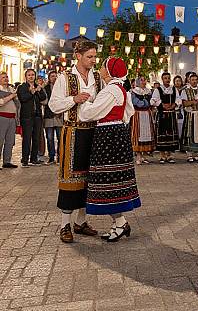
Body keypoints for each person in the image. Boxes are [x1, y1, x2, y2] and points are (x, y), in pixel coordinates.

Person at [79, 57, 140, 241]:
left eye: (104, 67)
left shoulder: (112, 90)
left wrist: (84, 102)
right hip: (116, 134)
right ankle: (119, 223)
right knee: (113, 181)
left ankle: (120, 223)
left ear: (110, 71)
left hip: (108, 137)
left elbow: (89, 113)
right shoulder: (120, 89)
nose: (100, 69)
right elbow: (129, 113)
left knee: (106, 181)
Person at [49, 40, 101, 243]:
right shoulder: (65, 77)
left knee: (89, 177)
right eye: (89, 56)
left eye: (95, 57)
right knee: (70, 178)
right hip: (72, 131)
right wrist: (74, 99)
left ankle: (81, 221)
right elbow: (54, 105)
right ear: (78, 56)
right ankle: (64, 225)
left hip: (93, 131)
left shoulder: (97, 77)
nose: (93, 60)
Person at [17, 69, 46, 167]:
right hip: (27, 116)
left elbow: (43, 98)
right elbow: (23, 98)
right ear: (26, 76)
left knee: (36, 138)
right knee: (27, 138)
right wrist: (32, 92)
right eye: (29, 75)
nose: (31, 76)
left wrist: (39, 90)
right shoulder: (22, 87)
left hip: (37, 116)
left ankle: (34, 159)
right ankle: (25, 160)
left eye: (33, 75)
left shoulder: (38, 86)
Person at [150, 72, 180, 164]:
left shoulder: (174, 89)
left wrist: (174, 104)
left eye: (168, 78)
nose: (167, 80)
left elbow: (178, 100)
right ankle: (162, 155)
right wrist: (162, 105)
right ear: (162, 79)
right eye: (165, 78)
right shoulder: (158, 90)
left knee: (171, 134)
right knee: (162, 134)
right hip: (162, 115)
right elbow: (153, 100)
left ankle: (170, 155)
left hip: (171, 115)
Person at [180, 72, 198, 162]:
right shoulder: (185, 90)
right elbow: (184, 103)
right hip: (190, 114)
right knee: (190, 133)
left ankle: (197, 154)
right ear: (189, 80)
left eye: (196, 80)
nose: (194, 81)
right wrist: (193, 102)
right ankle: (189, 154)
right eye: (192, 80)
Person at [130, 76, 156, 165]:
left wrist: (147, 103)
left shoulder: (149, 91)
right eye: (141, 80)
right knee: (138, 134)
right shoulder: (134, 92)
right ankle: (138, 155)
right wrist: (145, 103)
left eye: (145, 80)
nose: (144, 81)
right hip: (138, 114)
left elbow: (152, 101)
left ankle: (144, 155)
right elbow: (136, 102)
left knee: (146, 134)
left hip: (147, 114)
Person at [43, 71, 63, 165]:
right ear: (49, 78)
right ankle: (51, 157)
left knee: (60, 138)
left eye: (55, 76)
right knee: (50, 138)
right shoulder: (45, 88)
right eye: (52, 76)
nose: (54, 78)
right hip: (49, 116)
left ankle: (60, 157)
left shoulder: (62, 88)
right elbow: (44, 101)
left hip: (59, 116)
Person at [0, 72, 19, 169]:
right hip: (2, 118)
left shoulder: (11, 89)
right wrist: (11, 96)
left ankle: (7, 161)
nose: (6, 79)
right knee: (0, 140)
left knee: (10, 141)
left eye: (6, 77)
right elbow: (1, 102)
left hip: (12, 118)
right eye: (3, 77)